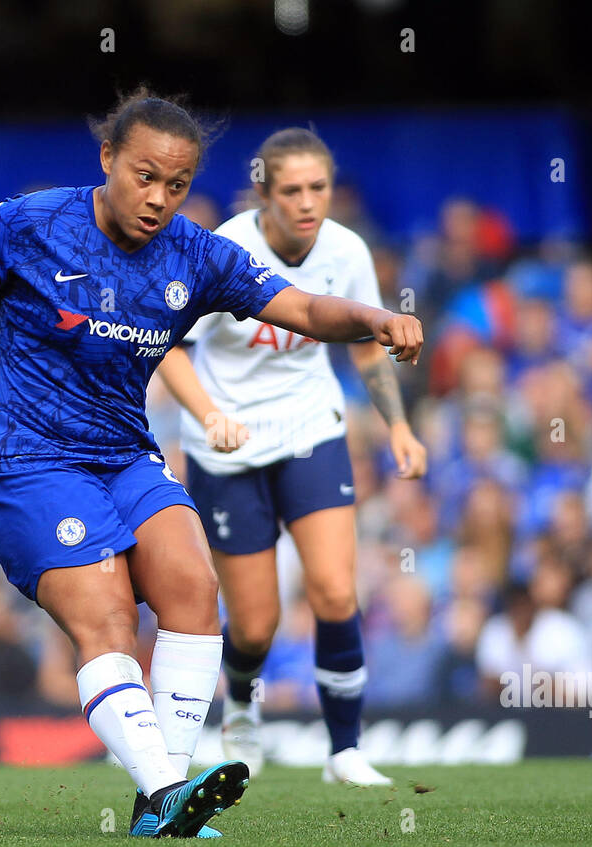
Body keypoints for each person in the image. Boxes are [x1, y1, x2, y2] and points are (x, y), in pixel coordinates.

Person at [0, 91, 424, 836]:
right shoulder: (29, 224)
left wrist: (374, 318)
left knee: (194, 589)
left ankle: (162, 792)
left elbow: (306, 310)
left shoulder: (197, 254)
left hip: (124, 456)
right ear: (107, 159)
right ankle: (168, 792)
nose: (159, 199)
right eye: (145, 177)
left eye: (178, 184)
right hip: (22, 460)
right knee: (106, 622)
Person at [154, 128, 427, 784]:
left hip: (311, 433)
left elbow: (364, 345)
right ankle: (242, 708)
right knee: (254, 626)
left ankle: (345, 751)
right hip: (228, 450)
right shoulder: (223, 251)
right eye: (292, 190)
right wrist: (210, 416)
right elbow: (169, 345)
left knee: (335, 590)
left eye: (319, 188)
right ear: (263, 193)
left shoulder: (346, 251)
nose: (308, 203)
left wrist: (398, 425)